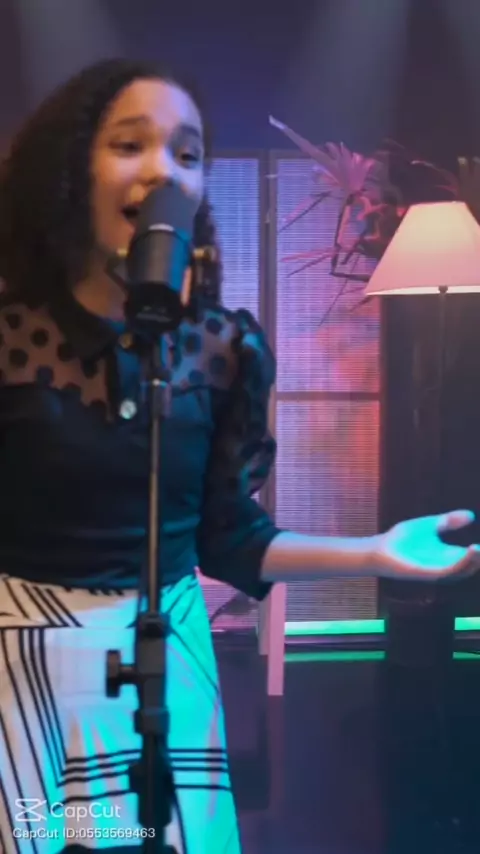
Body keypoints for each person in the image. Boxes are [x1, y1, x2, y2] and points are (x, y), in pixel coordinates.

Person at [0, 57, 478, 854]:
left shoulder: (223, 348)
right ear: (70, 169)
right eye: (130, 144)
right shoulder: (10, 337)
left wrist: (378, 553)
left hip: (172, 662)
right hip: (23, 661)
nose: (165, 170)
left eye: (187, 153)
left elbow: (229, 536)